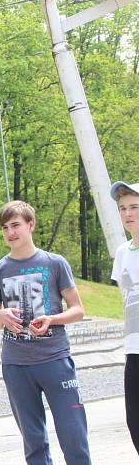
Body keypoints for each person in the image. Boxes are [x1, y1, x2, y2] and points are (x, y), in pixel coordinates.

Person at [0, 200, 90, 465]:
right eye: (5, 227)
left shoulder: (55, 263)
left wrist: (52, 319)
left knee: (74, 437)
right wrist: (0, 316)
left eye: (16, 225)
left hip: (55, 360)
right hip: (15, 365)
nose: (10, 232)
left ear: (31, 225)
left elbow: (78, 310)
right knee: (33, 443)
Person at [109, 181, 139, 455]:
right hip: (134, 350)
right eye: (123, 209)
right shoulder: (122, 252)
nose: (128, 213)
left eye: (134, 207)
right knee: (135, 423)